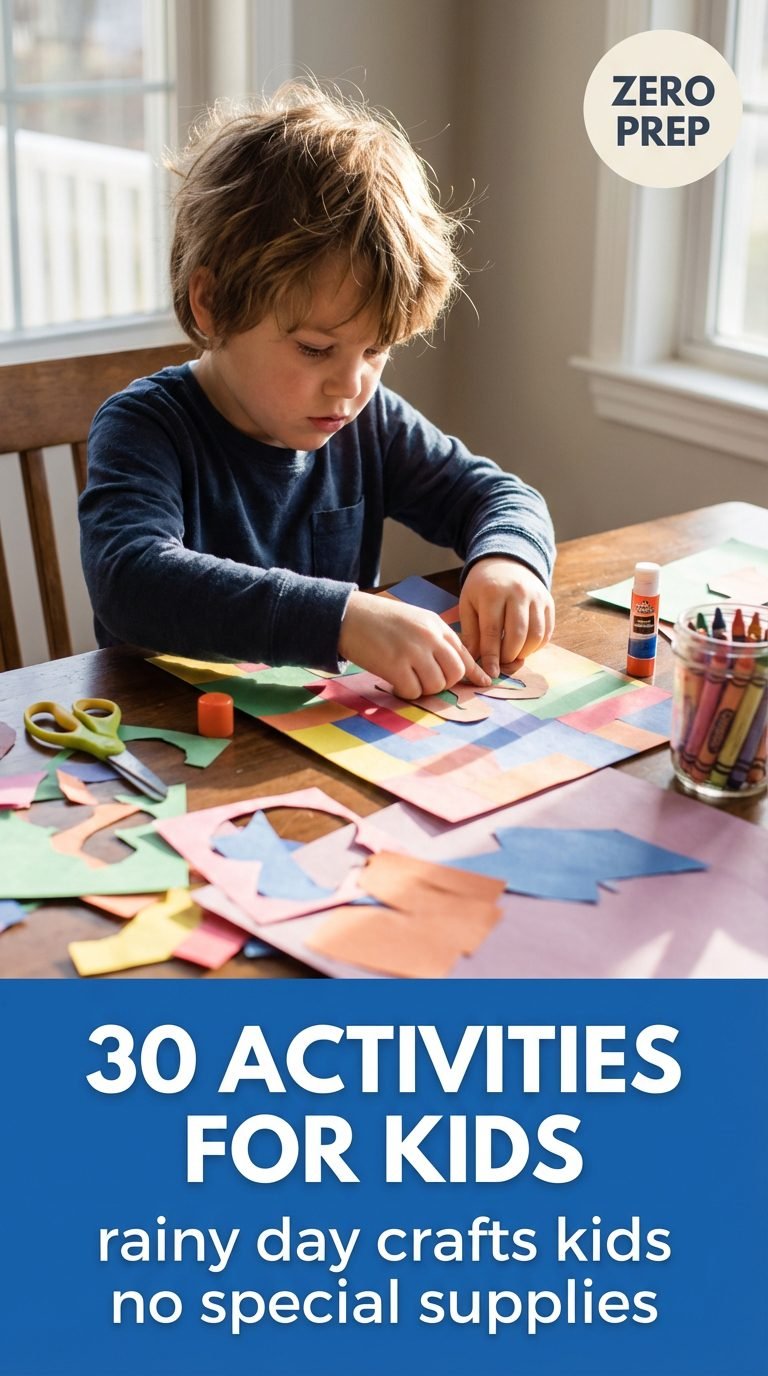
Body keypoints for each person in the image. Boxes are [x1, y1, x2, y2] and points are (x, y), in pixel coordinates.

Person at [80, 82, 555, 700]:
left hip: (327, 741)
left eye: (376, 350)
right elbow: (131, 580)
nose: (351, 384)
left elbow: (495, 495)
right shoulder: (146, 427)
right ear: (213, 304)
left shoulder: (366, 421)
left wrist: (509, 560)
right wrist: (342, 618)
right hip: (176, 745)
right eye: (314, 348)